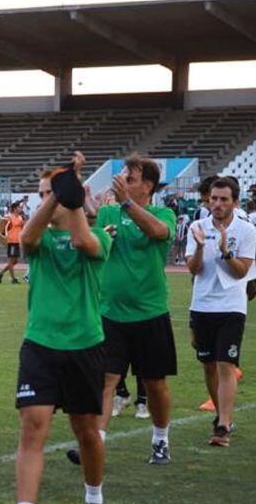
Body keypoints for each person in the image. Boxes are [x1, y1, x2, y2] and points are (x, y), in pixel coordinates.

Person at [0, 155, 113, 504]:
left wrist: (73, 196)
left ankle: (94, 498)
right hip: (41, 344)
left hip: (84, 344)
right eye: (41, 194)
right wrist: (57, 194)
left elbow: (82, 241)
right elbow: (26, 239)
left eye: (52, 193)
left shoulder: (101, 237)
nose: (46, 200)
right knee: (32, 427)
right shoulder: (39, 239)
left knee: (86, 432)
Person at [67, 155, 178, 466]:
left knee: (155, 383)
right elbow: (97, 242)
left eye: (131, 177)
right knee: (106, 380)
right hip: (110, 313)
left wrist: (128, 204)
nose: (124, 180)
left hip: (150, 313)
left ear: (149, 185)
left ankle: (160, 439)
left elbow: (158, 232)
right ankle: (95, 444)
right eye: (124, 176)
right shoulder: (108, 212)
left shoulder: (163, 212)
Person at [186, 176, 256, 448]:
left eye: (223, 199)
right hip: (202, 304)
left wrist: (226, 251)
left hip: (231, 306)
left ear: (235, 202)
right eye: (213, 199)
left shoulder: (246, 230)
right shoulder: (197, 226)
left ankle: (223, 425)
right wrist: (202, 246)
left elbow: (241, 272)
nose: (216, 203)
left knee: (226, 364)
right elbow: (193, 269)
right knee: (208, 364)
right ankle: (221, 414)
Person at [0, 202, 24, 284]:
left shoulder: (20, 218)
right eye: (19, 207)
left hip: (17, 241)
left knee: (15, 261)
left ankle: (0, 273)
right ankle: (13, 279)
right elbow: (3, 227)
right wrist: (5, 236)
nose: (20, 209)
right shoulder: (9, 217)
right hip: (11, 241)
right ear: (15, 209)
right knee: (11, 261)